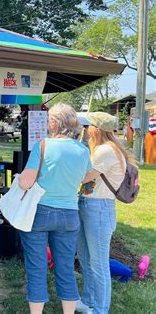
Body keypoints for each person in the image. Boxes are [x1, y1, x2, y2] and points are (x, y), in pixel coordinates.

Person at [18, 103, 92, 314]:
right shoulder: (82, 150)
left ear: (55, 123)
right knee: (66, 268)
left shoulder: (42, 146)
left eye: (48, 119)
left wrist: (21, 178)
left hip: (40, 212)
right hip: (70, 214)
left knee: (37, 268)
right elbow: (85, 178)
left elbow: (26, 182)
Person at [76, 112, 131, 314]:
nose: (85, 130)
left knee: (98, 264)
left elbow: (84, 177)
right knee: (84, 256)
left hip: (98, 209)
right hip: (89, 205)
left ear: (96, 129)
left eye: (88, 126)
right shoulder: (102, 149)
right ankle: (88, 300)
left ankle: (100, 309)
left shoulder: (105, 151)